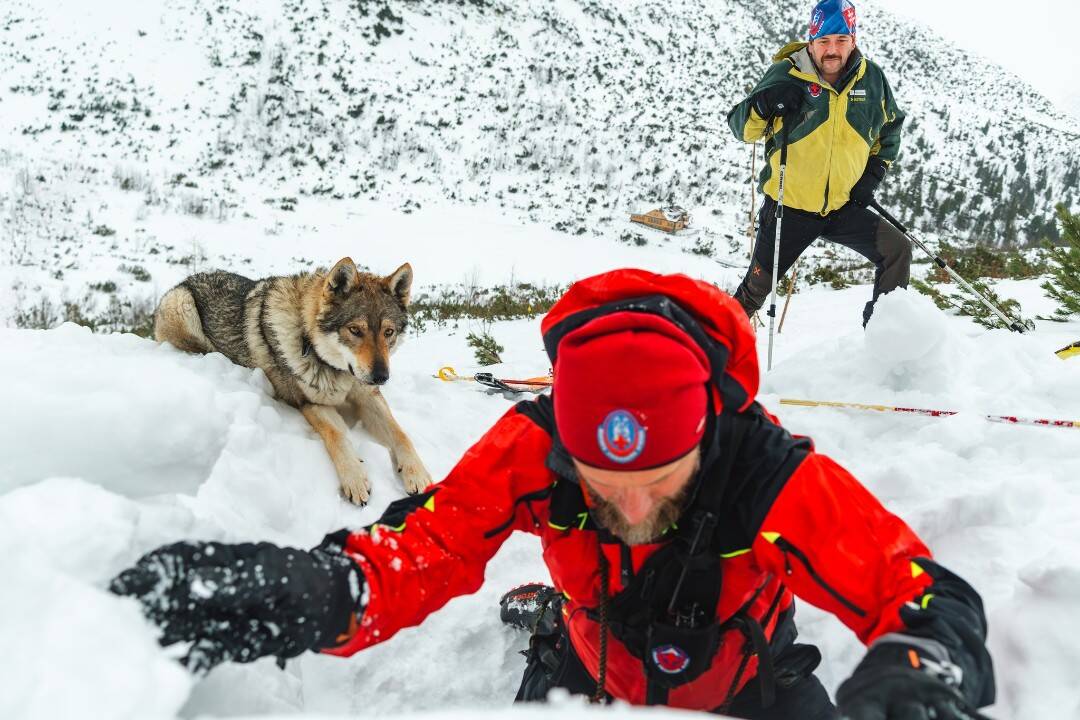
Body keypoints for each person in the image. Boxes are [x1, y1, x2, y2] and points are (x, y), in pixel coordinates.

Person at [111, 269, 995, 719]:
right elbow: (430, 544)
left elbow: (923, 594)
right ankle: (551, 624)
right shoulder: (533, 449)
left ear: (708, 432)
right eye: (608, 483)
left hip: (746, 683)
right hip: (592, 659)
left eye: (661, 478)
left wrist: (920, 673)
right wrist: (321, 589)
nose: (637, 508)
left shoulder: (764, 466)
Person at [728, 0, 911, 327]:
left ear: (853, 41)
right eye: (824, 41)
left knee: (897, 250)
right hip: (790, 209)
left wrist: (872, 175)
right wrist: (766, 101)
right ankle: (705, 353)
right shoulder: (788, 73)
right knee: (754, 291)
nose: (832, 49)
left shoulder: (871, 80)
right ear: (811, 42)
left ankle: (887, 337)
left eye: (841, 40)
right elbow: (741, 129)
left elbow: (890, 129)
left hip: (843, 206)